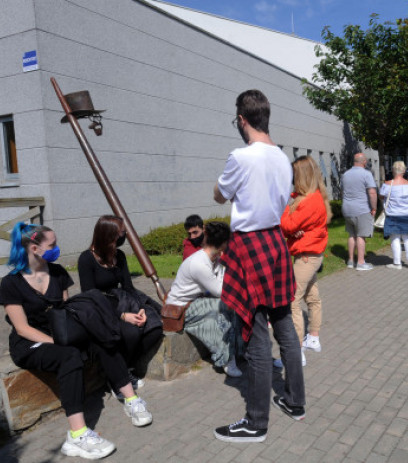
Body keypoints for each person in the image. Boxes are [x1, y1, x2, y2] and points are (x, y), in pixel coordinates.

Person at [0, 223, 152, 460]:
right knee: (69, 356)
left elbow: (68, 312)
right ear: (34, 248)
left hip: (61, 333)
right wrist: (57, 342)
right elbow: (23, 328)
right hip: (30, 344)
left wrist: (84, 331)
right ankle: (77, 435)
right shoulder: (11, 283)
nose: (56, 249)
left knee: (103, 337)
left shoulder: (58, 273)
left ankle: (130, 397)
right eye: (52, 245)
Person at [213, 89, 304, 443]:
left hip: (250, 243)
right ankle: (296, 402)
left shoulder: (240, 156)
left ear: (242, 119)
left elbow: (220, 194)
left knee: (255, 336)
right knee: (285, 328)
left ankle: (256, 421)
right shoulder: (282, 158)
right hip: (275, 242)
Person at [77, 215, 164, 397]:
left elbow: (128, 287)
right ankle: (119, 378)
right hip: (101, 306)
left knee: (154, 328)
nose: (124, 236)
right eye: (121, 233)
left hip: (122, 300)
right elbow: (90, 296)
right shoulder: (86, 259)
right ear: (108, 235)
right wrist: (123, 316)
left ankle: (125, 369)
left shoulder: (119, 255)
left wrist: (140, 310)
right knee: (130, 332)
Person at [165, 221, 242, 377]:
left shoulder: (212, 258)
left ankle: (237, 350)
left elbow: (220, 281)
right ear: (223, 244)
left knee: (230, 307)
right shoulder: (199, 263)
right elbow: (220, 291)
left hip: (196, 301)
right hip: (181, 307)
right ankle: (227, 359)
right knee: (226, 305)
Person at [280, 155, 331, 367]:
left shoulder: (309, 202)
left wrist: (284, 207)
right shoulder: (314, 197)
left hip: (306, 257)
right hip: (311, 255)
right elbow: (295, 227)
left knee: (292, 301)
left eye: (294, 174)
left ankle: (296, 351)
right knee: (312, 296)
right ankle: (314, 338)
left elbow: (287, 225)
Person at [341, 152, 377, 271]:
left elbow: (343, 191)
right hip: (361, 209)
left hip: (347, 208)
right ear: (364, 162)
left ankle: (351, 260)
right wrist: (374, 207)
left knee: (352, 235)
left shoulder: (345, 174)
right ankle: (361, 262)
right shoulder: (366, 174)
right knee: (361, 235)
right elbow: (372, 193)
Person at [379, 161, 408, 269]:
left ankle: (397, 263)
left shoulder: (387, 184)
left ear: (393, 170)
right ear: (404, 171)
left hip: (393, 214)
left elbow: (381, 196)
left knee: (395, 238)